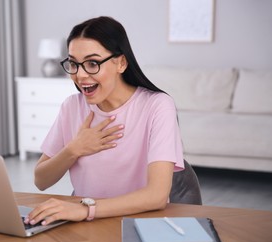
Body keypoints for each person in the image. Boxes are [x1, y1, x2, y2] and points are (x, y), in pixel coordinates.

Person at [24, 16, 184, 226]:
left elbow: (157, 196)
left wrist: (85, 210)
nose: (80, 75)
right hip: (86, 225)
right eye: (73, 63)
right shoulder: (72, 106)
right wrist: (74, 149)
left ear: (121, 63)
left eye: (92, 63)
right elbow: (41, 180)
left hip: (141, 223)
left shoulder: (157, 105)